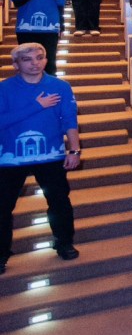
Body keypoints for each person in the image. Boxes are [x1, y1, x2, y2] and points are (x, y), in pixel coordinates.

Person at [0, 43, 81, 271]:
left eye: (39, 57)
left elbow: (69, 121)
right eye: (28, 59)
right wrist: (36, 106)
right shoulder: (4, 89)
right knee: (3, 207)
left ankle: (64, 243)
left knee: (59, 203)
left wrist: (74, 150)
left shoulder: (60, 86)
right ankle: (1, 253)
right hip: (10, 158)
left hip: (51, 155)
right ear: (16, 64)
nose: (35, 63)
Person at [11, 0, 65, 73]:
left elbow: (60, 5)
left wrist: (61, 25)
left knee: (49, 62)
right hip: (26, 29)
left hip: (49, 28)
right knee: (26, 63)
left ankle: (50, 90)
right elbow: (17, 3)